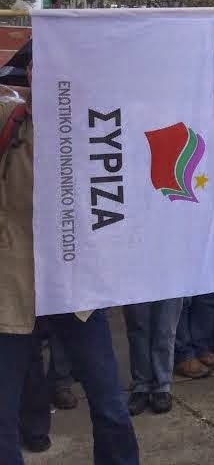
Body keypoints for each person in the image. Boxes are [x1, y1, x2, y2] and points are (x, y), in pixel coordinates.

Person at [0, 51, 141, 464]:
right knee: (3, 410)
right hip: (13, 278)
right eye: (37, 66)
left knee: (109, 402)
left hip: (76, 284)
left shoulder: (98, 127)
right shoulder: (9, 119)